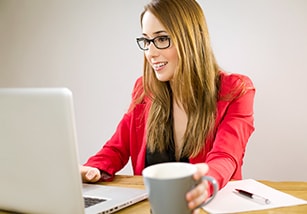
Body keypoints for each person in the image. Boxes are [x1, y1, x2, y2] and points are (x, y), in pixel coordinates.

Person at [80, 0, 255, 212]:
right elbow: (116, 148)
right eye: (147, 40)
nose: (151, 53)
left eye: (162, 39)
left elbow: (226, 157)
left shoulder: (236, 90)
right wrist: (91, 169)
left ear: (190, 39)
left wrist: (206, 181)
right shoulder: (144, 90)